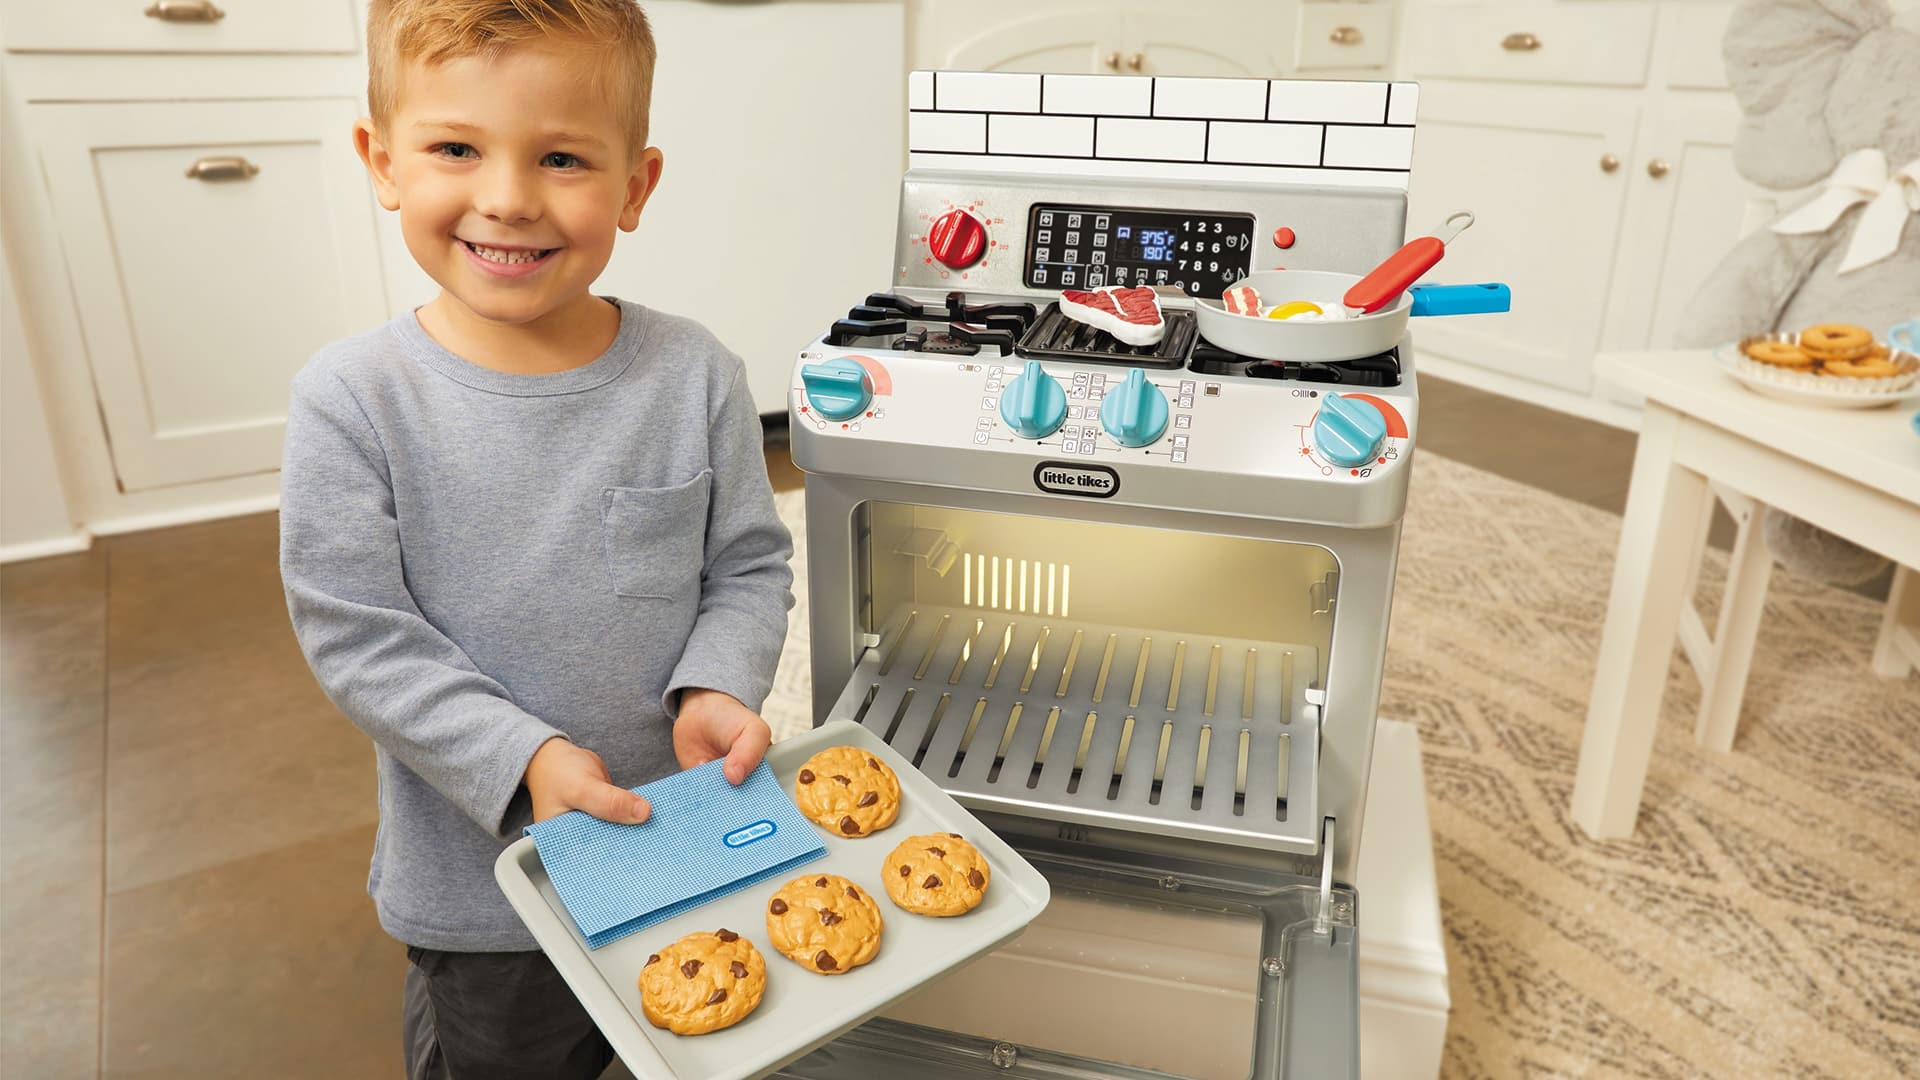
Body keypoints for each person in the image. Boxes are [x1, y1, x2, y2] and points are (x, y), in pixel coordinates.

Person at [277, 1, 794, 1076]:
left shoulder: (696, 376)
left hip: (682, 848)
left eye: (561, 157)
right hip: (490, 896)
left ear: (635, 186)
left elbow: (745, 563)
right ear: (382, 161)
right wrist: (527, 762)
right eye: (456, 148)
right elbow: (361, 636)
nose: (507, 199)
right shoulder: (353, 401)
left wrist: (718, 683)